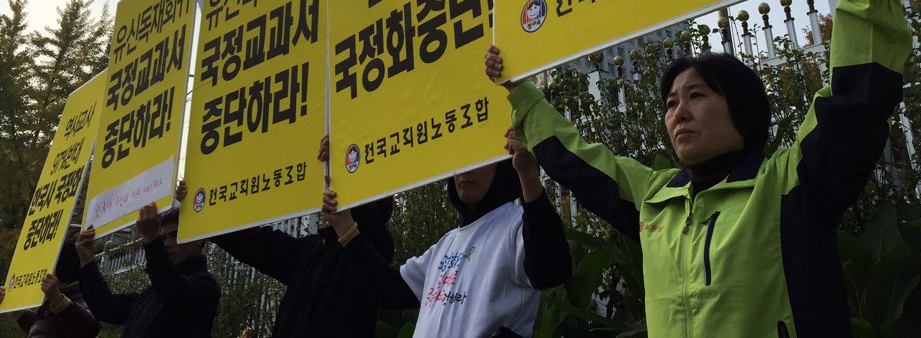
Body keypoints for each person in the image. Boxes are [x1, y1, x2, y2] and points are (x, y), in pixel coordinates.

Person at [484, 0, 912, 338]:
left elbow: (855, 102)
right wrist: (520, 92)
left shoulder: (788, 185)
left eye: (696, 95)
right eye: (670, 103)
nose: (678, 112)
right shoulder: (653, 198)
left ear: (741, 109)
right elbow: (577, 161)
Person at [322, 127, 573, 338]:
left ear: (502, 166)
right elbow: (387, 289)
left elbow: (551, 269)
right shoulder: (445, 245)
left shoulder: (518, 224)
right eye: (459, 162)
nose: (465, 170)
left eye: (477, 159)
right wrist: (344, 225)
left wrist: (528, 175)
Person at [174, 135, 395, 338]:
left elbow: (368, 226)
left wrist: (343, 169)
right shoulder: (309, 250)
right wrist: (200, 212)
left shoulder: (375, 249)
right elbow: (252, 242)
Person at [75, 203, 220, 338]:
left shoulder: (205, 288)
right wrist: (87, 261)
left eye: (176, 235)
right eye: (162, 238)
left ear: (199, 240)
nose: (167, 244)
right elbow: (106, 307)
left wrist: (152, 239)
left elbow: (175, 295)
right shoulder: (150, 295)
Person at [0, 244, 99, 338]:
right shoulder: (50, 303)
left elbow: (89, 328)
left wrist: (58, 300)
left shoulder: (80, 299)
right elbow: (44, 329)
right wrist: (15, 307)